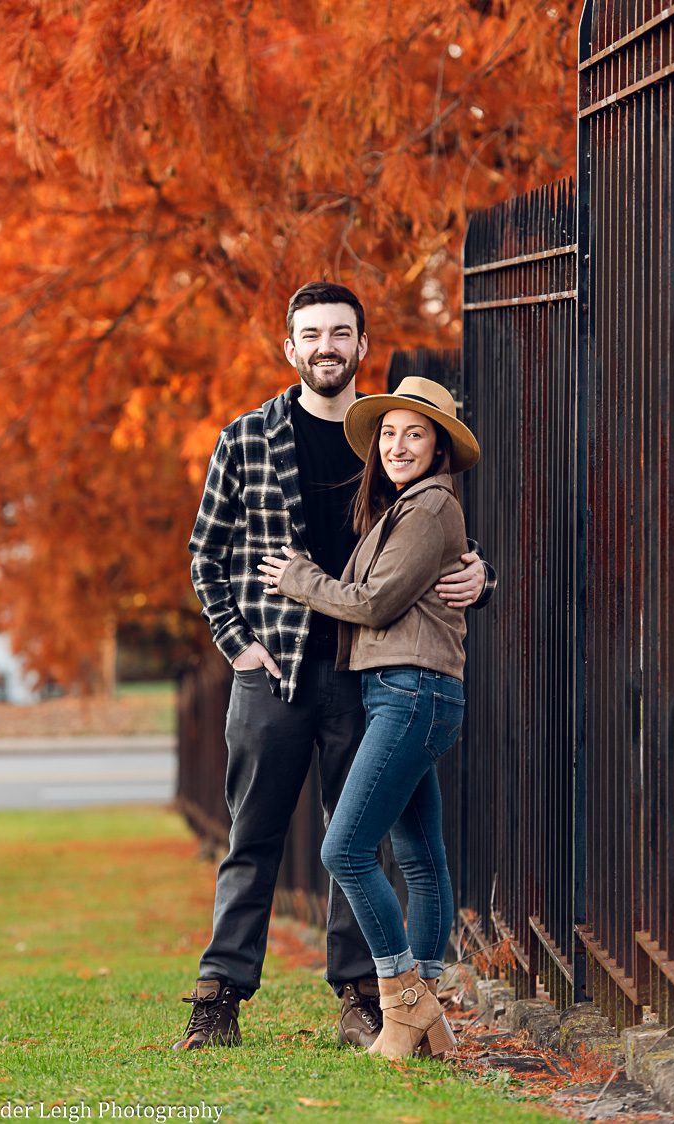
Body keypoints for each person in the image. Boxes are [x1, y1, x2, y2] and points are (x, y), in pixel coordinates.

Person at [174, 282, 495, 1052]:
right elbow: (204, 555)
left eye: (341, 333)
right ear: (291, 348)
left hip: (364, 675)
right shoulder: (246, 439)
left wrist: (484, 578)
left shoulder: (383, 449)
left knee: (357, 840)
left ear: (360, 346)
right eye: (311, 333)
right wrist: (237, 643)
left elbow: (430, 543)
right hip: (273, 673)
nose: (326, 345)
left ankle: (363, 998)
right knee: (252, 838)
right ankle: (219, 997)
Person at [258, 376, 478, 1059]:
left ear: (439, 445)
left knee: (344, 849)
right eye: (388, 432)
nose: (398, 444)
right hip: (406, 691)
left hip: (411, 692)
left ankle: (402, 997)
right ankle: (429, 1014)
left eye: (415, 433)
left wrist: (299, 580)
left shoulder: (431, 505)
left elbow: (374, 602)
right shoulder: (405, 508)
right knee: (418, 856)